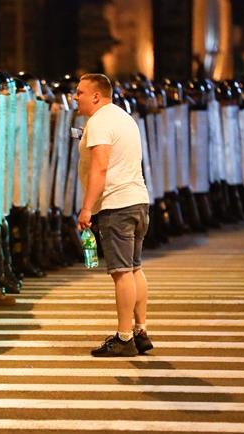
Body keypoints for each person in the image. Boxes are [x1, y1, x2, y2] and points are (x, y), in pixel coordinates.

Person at [74, 73, 153, 357]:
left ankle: (124, 337)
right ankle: (141, 330)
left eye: (80, 92)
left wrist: (86, 208)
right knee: (134, 268)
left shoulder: (99, 122)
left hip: (116, 205)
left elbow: (100, 168)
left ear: (96, 95)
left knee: (121, 273)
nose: (75, 96)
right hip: (138, 201)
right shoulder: (123, 117)